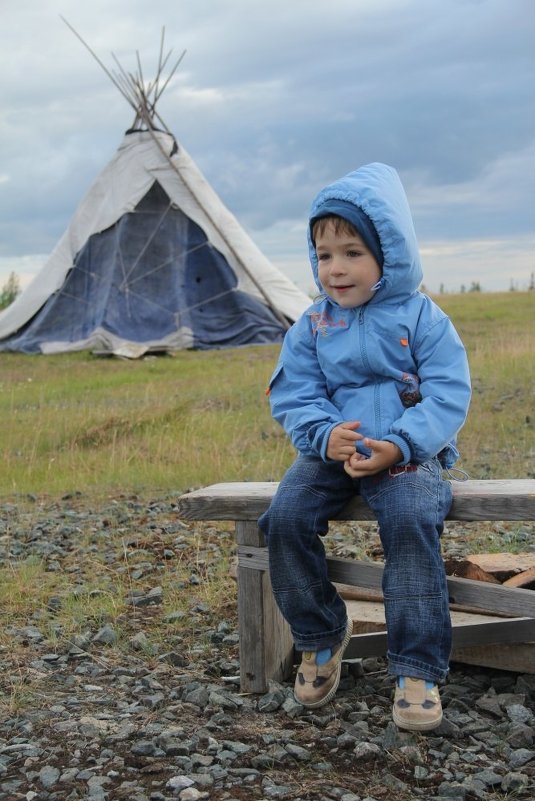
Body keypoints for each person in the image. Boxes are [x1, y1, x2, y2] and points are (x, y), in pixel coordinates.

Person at [258, 162, 471, 732]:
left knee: (407, 520)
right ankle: (321, 633)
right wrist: (325, 435)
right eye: (324, 255)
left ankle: (417, 665)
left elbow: (449, 393)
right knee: (286, 516)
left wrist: (400, 444)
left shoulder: (423, 317)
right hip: (333, 450)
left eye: (352, 252)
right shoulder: (312, 326)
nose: (336, 268)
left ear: (389, 254)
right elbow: (295, 392)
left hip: (406, 454)